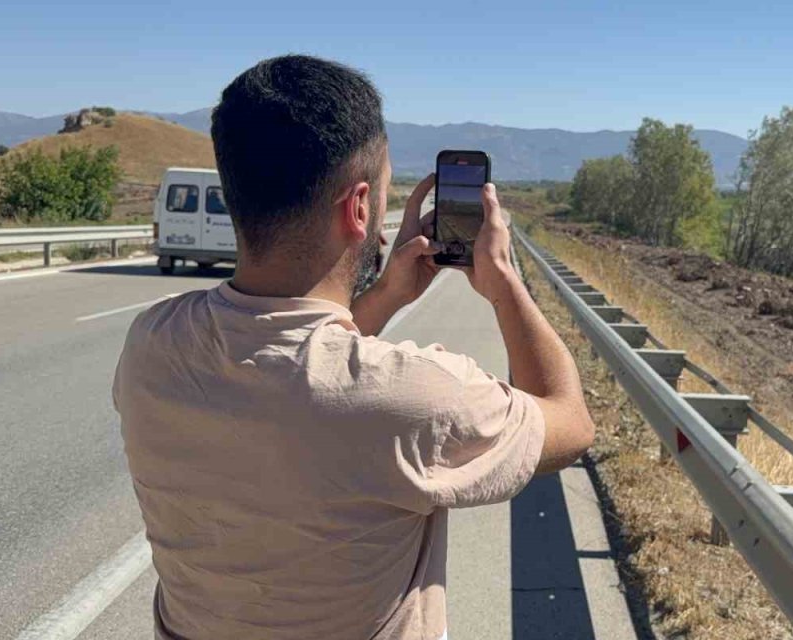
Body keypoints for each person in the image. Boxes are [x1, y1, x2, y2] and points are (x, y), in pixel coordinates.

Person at [112, 55, 595, 640]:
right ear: (360, 208)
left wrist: (388, 293)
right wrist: (503, 282)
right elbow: (569, 420)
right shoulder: (413, 395)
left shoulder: (152, 344)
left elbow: (294, 370)